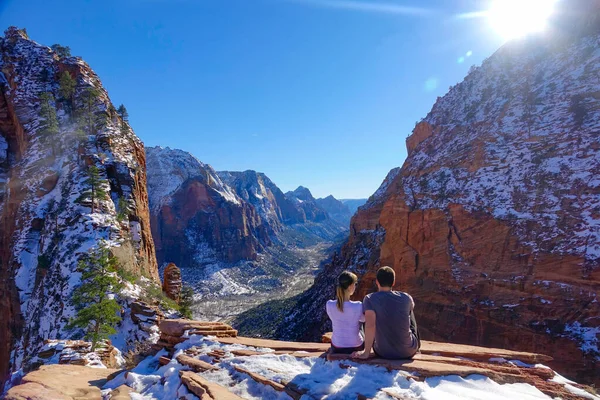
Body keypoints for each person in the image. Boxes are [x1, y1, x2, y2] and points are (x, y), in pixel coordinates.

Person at [352, 266, 420, 360]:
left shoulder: (369, 299)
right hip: (408, 351)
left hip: (383, 352)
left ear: (377, 282)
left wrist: (366, 352)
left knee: (369, 316)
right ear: (393, 282)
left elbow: (370, 326)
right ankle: (414, 346)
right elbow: (412, 307)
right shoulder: (406, 297)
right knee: (409, 311)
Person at [325, 270, 365, 354]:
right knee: (361, 323)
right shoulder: (358, 305)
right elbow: (364, 319)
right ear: (350, 286)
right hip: (356, 347)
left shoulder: (329, 304)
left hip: (337, 346)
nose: (355, 286)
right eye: (355, 284)